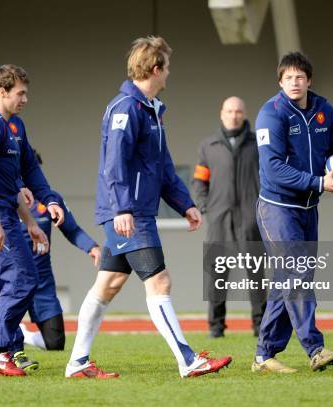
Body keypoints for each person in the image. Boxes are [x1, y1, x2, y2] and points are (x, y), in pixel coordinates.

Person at [65, 36, 232, 379]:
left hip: (133, 211)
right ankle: (188, 360)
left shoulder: (152, 110)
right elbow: (115, 164)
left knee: (107, 285)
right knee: (160, 282)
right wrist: (122, 209)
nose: (169, 74)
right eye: (167, 67)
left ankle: (77, 363)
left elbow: (164, 167)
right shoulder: (125, 108)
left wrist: (185, 204)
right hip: (129, 214)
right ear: (155, 68)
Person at [252, 52, 333, 374]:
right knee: (298, 275)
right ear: (280, 82)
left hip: (309, 208)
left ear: (309, 80)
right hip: (277, 209)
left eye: (300, 77)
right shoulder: (271, 114)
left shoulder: (325, 110)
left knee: (288, 281)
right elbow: (274, 168)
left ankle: (263, 355)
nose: (294, 83)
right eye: (288, 78)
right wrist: (321, 183)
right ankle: (315, 348)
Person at [0, 64, 63, 377]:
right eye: (21, 93)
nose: (25, 99)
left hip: (5, 211)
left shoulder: (9, 127)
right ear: (2, 92)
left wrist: (32, 222)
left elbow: (15, 180)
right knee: (23, 277)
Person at [192, 96, 266, 338]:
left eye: (238, 111)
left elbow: (269, 178)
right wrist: (206, 207)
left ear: (245, 114)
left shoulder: (258, 144)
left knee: (255, 275)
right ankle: (216, 327)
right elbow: (199, 181)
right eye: (229, 111)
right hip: (219, 219)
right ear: (221, 114)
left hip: (250, 218)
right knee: (217, 274)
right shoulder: (208, 146)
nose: (233, 115)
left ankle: (261, 326)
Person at [18, 152, 102, 352]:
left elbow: (72, 229)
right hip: (13, 280)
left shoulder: (50, 201)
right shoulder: (2, 199)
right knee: (5, 340)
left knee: (55, 343)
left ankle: (24, 335)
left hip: (42, 281)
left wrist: (92, 247)